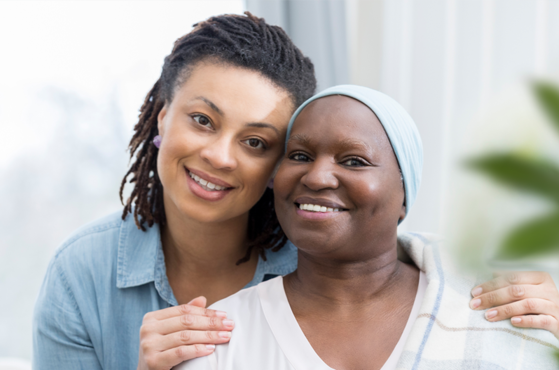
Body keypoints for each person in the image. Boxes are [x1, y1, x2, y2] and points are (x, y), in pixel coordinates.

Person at [32, 12, 559, 370]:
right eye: (201, 120)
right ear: (162, 117)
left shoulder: (324, 255)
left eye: (257, 141)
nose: (220, 155)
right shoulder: (83, 275)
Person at [176, 85, 559, 370]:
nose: (318, 176)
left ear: (404, 196)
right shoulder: (217, 339)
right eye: (300, 155)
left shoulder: (501, 311)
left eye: (355, 161)